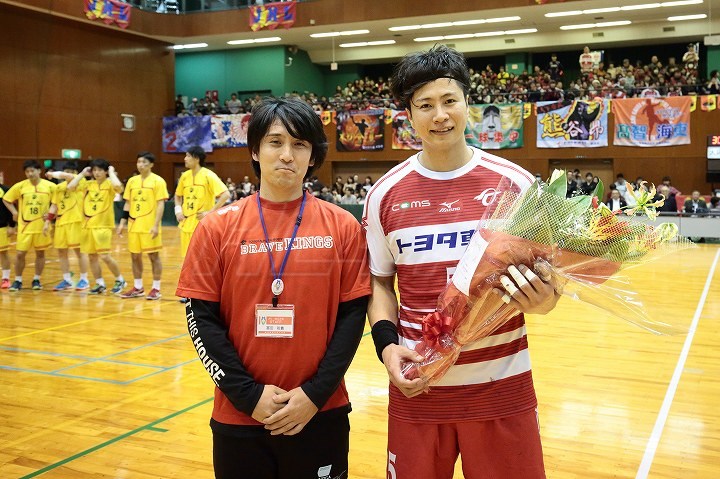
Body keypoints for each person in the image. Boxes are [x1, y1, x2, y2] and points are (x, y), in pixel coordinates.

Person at [363, 45, 560, 479]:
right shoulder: (384, 195)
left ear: (468, 104)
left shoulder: (517, 185)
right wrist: (386, 346)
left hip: (501, 389)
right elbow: (379, 284)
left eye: (450, 100)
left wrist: (543, 300)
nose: (440, 115)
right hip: (418, 386)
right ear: (408, 116)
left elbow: (549, 287)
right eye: (425, 105)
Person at [175, 97, 371, 479]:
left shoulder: (343, 226)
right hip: (240, 415)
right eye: (275, 142)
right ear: (255, 150)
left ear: (312, 155)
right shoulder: (215, 228)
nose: (287, 155)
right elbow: (201, 320)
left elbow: (352, 317)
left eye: (299, 144)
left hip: (320, 411)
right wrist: (248, 396)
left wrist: (314, 394)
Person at [67, 159, 127, 295]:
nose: (97, 173)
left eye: (100, 170)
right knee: (92, 257)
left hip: (103, 226)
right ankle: (100, 283)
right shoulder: (88, 185)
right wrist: (82, 174)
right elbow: (70, 187)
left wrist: (111, 172)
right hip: (87, 226)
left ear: (105, 171)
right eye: (94, 170)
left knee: (105, 256)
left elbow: (119, 187)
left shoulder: (109, 184)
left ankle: (120, 280)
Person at [116, 152, 169, 300]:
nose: (141, 165)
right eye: (139, 162)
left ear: (151, 164)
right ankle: (138, 287)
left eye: (144, 162)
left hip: (149, 226)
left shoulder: (158, 181)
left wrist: (156, 225)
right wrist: (122, 223)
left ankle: (156, 288)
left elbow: (160, 205)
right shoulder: (132, 181)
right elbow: (128, 203)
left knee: (153, 256)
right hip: (134, 225)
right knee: (134, 256)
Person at [2, 160, 57, 291]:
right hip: (25, 227)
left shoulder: (50, 186)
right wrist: (14, 212)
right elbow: (6, 199)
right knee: (20, 254)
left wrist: (51, 215)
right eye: (27, 171)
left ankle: (37, 279)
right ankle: (18, 280)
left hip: (42, 227)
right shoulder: (20, 186)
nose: (30, 174)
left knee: (40, 253)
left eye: (32, 171)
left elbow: (57, 203)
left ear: (39, 171)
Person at [174, 146, 230, 259]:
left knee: (202, 260)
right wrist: (178, 211)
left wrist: (210, 212)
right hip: (186, 224)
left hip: (202, 226)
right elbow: (178, 195)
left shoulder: (208, 175)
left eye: (188, 156)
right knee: (187, 260)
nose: (185, 159)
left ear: (197, 158)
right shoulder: (184, 176)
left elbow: (226, 194)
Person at [45, 161, 90, 291]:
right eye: (66, 171)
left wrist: (53, 173)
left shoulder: (81, 182)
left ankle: (84, 279)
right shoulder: (59, 187)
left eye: (71, 172)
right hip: (61, 223)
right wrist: (47, 221)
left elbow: (70, 178)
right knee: (61, 252)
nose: (68, 174)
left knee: (79, 251)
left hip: (76, 221)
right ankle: (67, 279)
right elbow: (54, 205)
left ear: (76, 173)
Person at [0, 172, 16, 289]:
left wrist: (12, 225)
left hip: (1, 227)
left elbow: (11, 210)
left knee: (3, 253)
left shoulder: (5, 190)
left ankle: (5, 278)